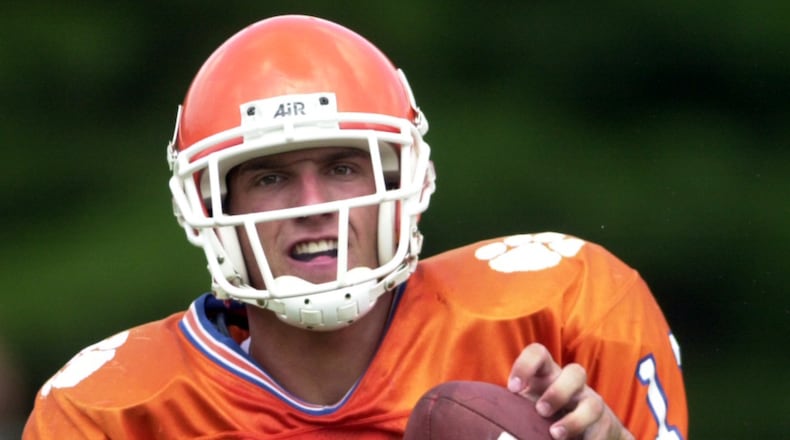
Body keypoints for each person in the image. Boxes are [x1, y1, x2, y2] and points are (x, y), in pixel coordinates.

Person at [23, 15, 687, 439]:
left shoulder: (561, 309)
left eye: (344, 167)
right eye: (269, 177)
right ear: (206, 204)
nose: (312, 203)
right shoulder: (109, 413)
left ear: (402, 180)